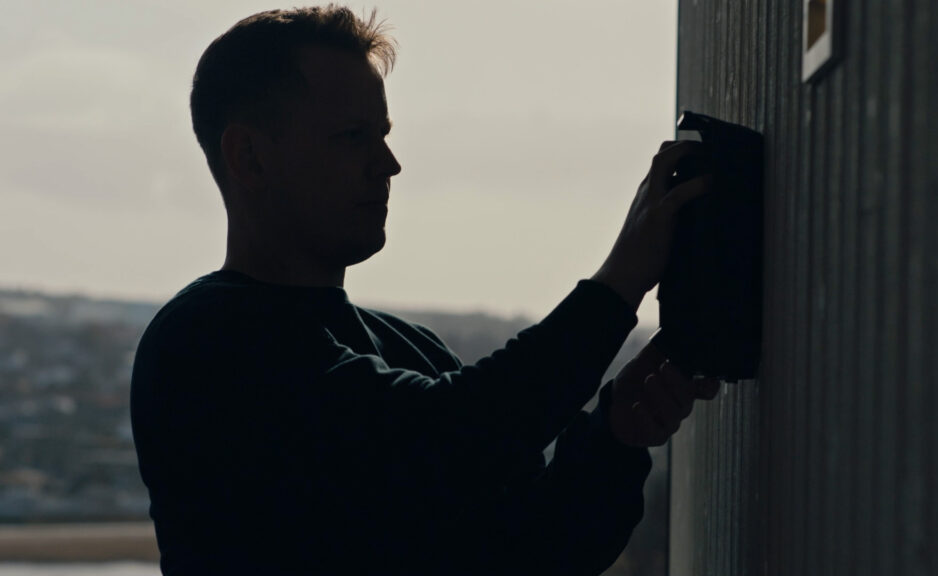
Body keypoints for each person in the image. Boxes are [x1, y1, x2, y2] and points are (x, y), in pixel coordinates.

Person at [130, 5, 710, 575]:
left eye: (381, 134)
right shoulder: (204, 343)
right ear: (249, 157)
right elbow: (447, 441)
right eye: (352, 137)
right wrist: (621, 281)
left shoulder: (411, 349)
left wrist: (613, 439)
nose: (388, 163)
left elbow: (533, 546)